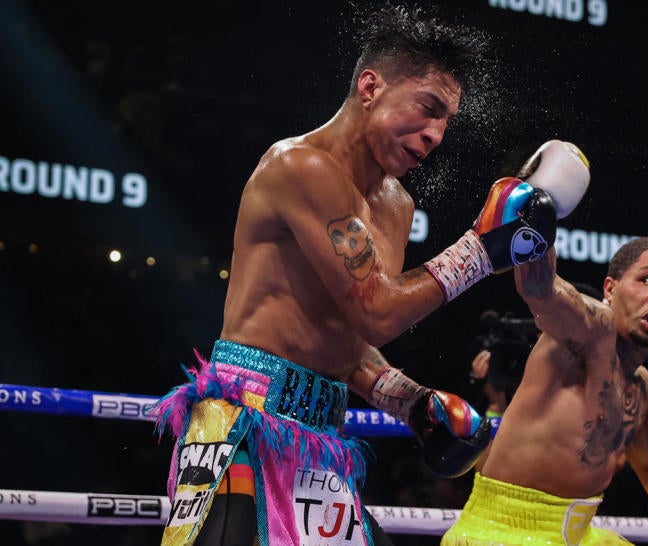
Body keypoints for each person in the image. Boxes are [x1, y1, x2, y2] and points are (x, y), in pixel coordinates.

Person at [151, 4, 590, 545]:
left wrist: (408, 400)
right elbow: (377, 310)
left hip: (322, 437)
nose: (435, 135)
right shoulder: (300, 167)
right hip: (244, 418)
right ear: (370, 86)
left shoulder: (395, 205)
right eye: (427, 108)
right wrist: (478, 251)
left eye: (446, 121)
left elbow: (353, 337)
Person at [442, 236, 648, 545]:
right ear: (610, 289)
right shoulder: (588, 329)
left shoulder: (645, 392)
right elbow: (539, 287)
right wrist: (540, 216)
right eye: (647, 280)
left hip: (579, 535)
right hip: (501, 532)